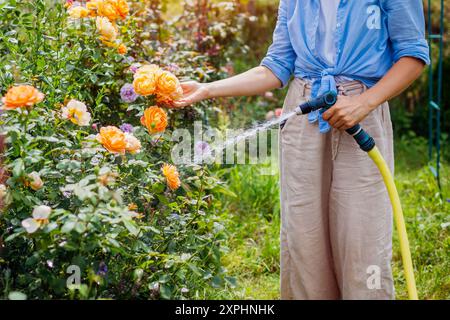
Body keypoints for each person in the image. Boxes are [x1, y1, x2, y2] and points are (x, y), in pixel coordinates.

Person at [173, 0, 430, 300]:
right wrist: (208, 88)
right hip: (303, 115)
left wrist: (364, 102)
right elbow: (276, 67)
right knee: (305, 243)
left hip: (362, 114)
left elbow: (413, 54)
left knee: (363, 242)